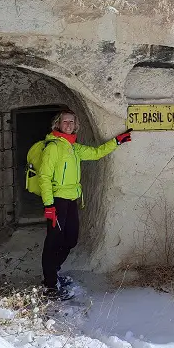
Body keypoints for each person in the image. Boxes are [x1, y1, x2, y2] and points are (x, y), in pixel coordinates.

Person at [38, 110, 132, 299]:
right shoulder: (53, 147)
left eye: (72, 122)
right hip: (57, 200)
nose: (69, 124)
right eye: (65, 121)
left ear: (75, 125)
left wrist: (117, 141)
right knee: (53, 241)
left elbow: (96, 153)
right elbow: (44, 177)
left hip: (72, 199)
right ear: (58, 124)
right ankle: (49, 285)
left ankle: (54, 272)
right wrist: (49, 205)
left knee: (71, 239)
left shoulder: (74, 147)